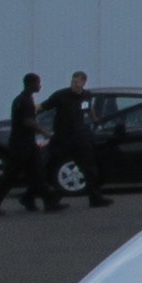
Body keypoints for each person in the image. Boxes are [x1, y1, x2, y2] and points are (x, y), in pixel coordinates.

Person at [0, 73, 63, 215]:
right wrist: (45, 132)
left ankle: (45, 200)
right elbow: (28, 121)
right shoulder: (25, 101)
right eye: (38, 83)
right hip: (22, 145)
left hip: (25, 143)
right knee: (11, 176)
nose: (40, 86)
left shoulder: (22, 99)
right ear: (31, 84)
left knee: (37, 173)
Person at [43, 70, 112, 209]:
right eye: (73, 82)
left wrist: (96, 121)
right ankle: (45, 198)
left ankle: (95, 197)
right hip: (62, 137)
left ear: (84, 82)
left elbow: (89, 109)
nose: (74, 85)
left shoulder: (86, 95)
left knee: (89, 168)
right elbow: (44, 106)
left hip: (79, 136)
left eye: (77, 82)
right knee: (51, 166)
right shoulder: (61, 95)